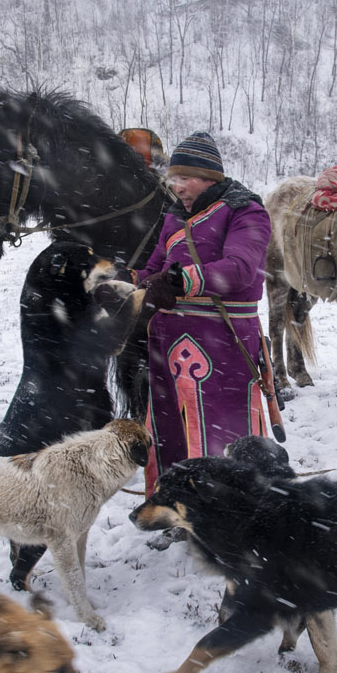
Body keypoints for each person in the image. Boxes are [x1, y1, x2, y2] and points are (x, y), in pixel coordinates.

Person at [135, 131, 272, 492]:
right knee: (170, 430)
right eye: (173, 178)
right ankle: (175, 503)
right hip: (169, 342)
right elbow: (154, 269)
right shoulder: (174, 218)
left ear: (209, 176)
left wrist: (180, 281)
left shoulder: (246, 211)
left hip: (222, 341)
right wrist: (120, 281)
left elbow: (240, 269)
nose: (177, 187)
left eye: (184, 178)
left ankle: (227, 505)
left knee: (224, 431)